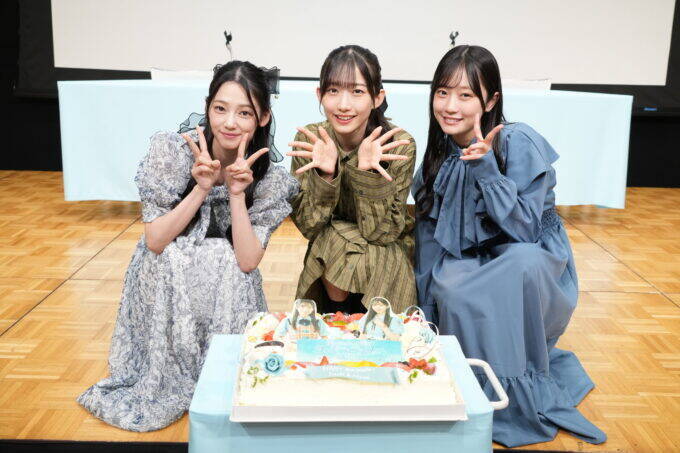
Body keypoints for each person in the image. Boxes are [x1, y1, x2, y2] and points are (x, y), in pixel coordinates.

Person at [77, 61, 299, 432]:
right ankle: (169, 368)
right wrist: (200, 188)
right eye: (220, 108)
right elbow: (155, 240)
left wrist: (236, 194)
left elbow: (247, 260)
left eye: (244, 113)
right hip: (167, 269)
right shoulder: (174, 151)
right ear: (207, 107)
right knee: (174, 255)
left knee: (228, 261)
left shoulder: (269, 178)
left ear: (263, 117)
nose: (230, 123)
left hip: (224, 282)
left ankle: (219, 367)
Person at [412, 45, 606, 447]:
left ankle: (514, 397)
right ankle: (473, 385)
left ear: (491, 100)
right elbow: (428, 238)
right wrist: (426, 307)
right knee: (450, 286)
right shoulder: (438, 158)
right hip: (475, 255)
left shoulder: (517, 140)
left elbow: (525, 228)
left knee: (519, 263)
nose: (451, 106)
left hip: (531, 251)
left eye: (466, 95)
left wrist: (486, 169)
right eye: (443, 93)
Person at [288, 44, 416, 315]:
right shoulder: (311, 141)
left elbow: (382, 233)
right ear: (320, 94)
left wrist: (368, 175)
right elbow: (309, 227)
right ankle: (339, 317)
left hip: (382, 252)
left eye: (357, 91)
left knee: (344, 240)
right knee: (332, 237)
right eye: (333, 91)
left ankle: (358, 320)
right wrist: (326, 176)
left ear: (377, 98)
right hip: (328, 256)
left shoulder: (398, 145)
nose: (343, 105)